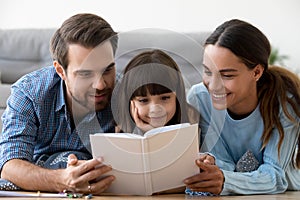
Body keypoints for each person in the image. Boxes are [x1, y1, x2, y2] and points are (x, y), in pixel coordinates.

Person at [0, 13, 118, 195]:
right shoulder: (29, 93)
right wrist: (62, 180)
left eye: (107, 69)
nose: (100, 85)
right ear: (60, 71)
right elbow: (10, 167)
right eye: (85, 74)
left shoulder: (128, 93)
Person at [184, 19, 300, 195]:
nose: (214, 86)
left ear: (256, 72)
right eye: (208, 72)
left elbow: (275, 175)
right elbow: (220, 162)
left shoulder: (284, 103)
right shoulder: (200, 99)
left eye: (227, 75)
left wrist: (226, 180)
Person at [112, 49, 215, 194]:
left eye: (165, 98)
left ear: (177, 96)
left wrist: (155, 135)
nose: (155, 109)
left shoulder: (192, 120)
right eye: (143, 101)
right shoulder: (120, 129)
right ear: (131, 102)